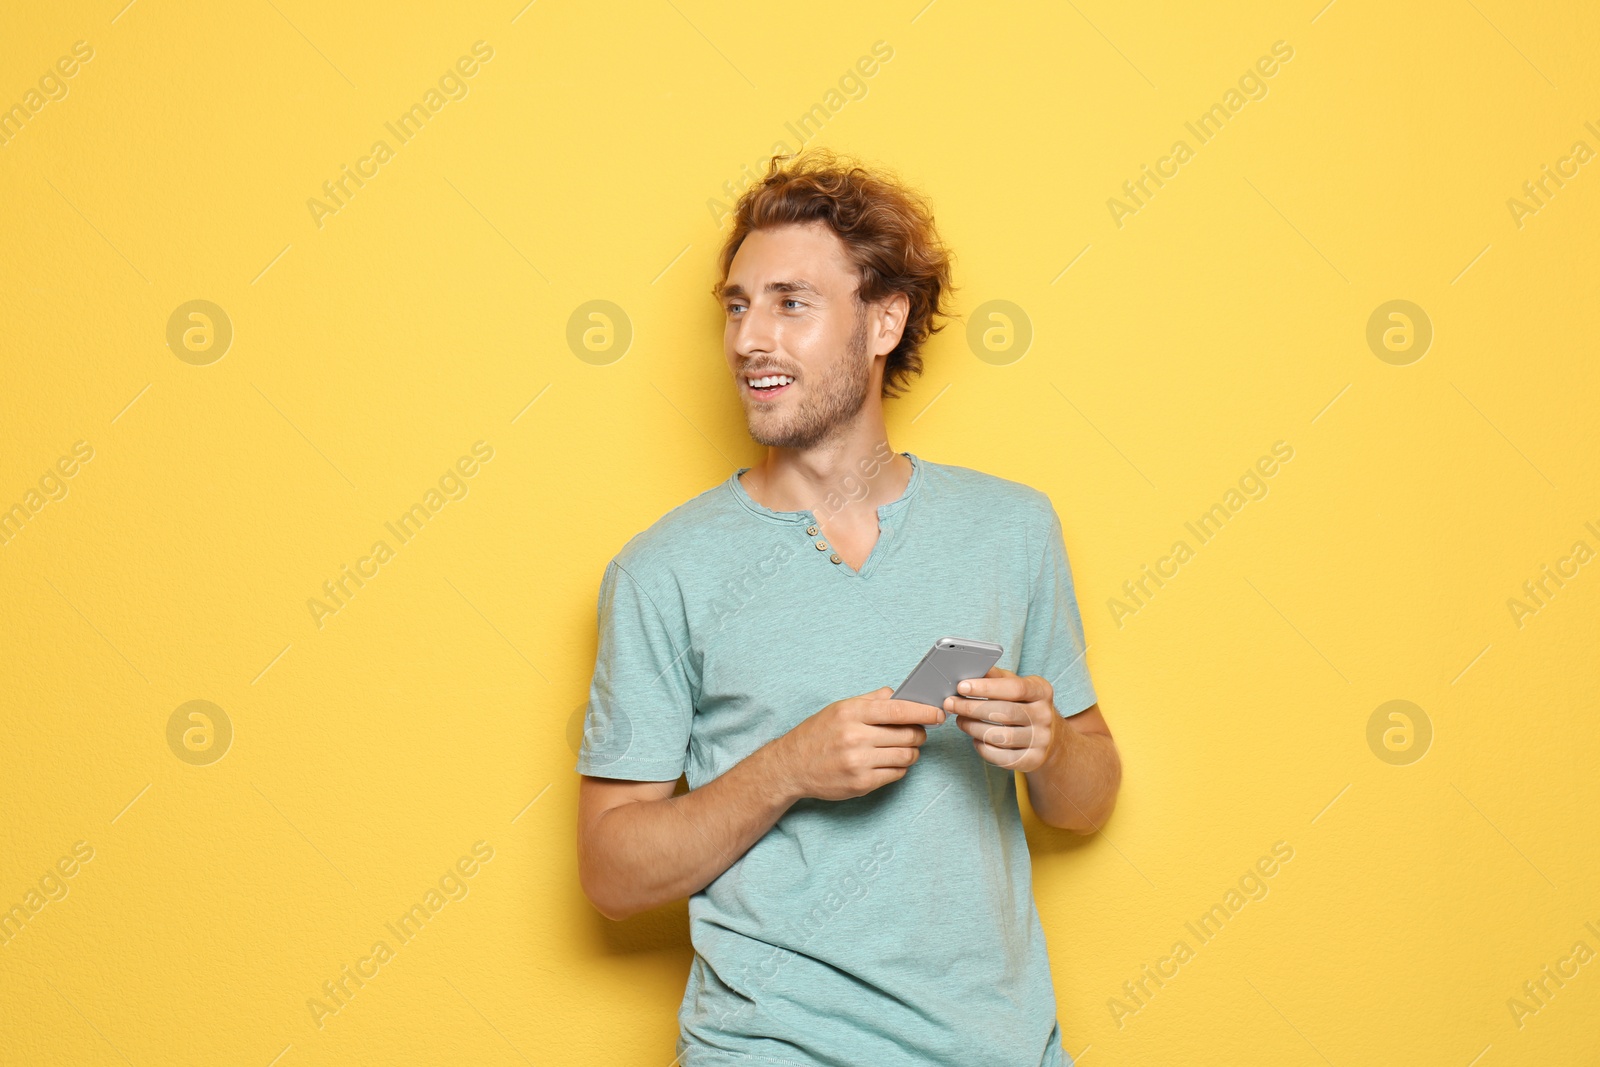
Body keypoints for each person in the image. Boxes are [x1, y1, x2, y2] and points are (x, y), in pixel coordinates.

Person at [575, 149, 1122, 1067]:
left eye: (792, 303)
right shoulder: (661, 570)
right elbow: (611, 874)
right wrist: (787, 766)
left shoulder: (1011, 529)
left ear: (884, 321)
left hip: (999, 1047)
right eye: (739, 306)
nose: (752, 337)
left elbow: (1088, 802)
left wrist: (1052, 747)